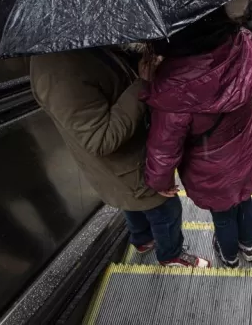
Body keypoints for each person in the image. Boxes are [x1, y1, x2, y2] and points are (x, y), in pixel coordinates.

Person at [30, 47, 210, 268]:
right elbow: (100, 138)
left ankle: (142, 239)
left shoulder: (75, 46)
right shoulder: (60, 74)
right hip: (125, 163)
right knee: (166, 208)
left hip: (127, 161)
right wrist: (142, 84)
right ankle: (170, 255)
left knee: (131, 201)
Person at [142, 7, 252, 268]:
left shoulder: (171, 83)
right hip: (247, 142)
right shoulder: (245, 43)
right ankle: (249, 246)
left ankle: (230, 256)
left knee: (223, 214)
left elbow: (164, 147)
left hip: (210, 162)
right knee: (245, 199)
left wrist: (159, 180)